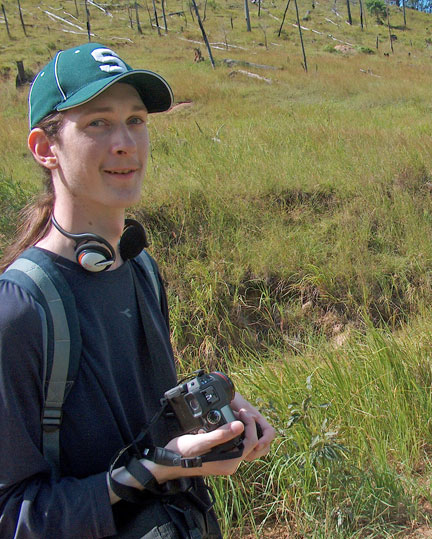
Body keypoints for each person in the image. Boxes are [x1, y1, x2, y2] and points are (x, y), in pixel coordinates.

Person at [0, 42, 276, 537]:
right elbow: (14, 515)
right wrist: (151, 472)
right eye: (98, 124)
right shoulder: (18, 310)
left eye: (136, 120)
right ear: (46, 149)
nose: (125, 142)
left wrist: (216, 412)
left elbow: (145, 427)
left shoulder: (139, 265)